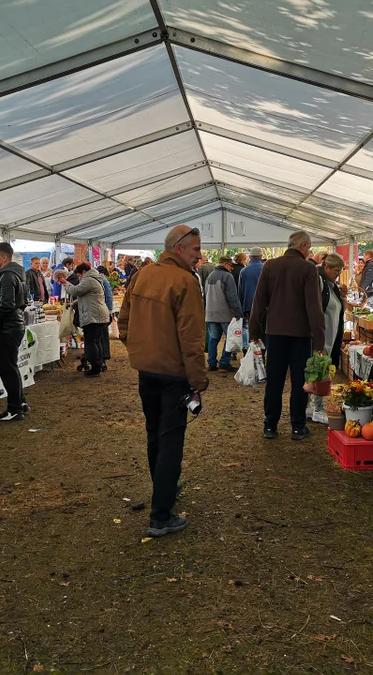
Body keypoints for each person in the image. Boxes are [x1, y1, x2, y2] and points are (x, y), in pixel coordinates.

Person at [118, 225, 207, 538]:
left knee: (155, 434)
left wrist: (137, 349)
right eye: (196, 249)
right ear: (179, 248)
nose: (200, 254)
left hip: (148, 370)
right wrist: (198, 380)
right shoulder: (185, 281)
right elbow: (192, 338)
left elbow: (123, 320)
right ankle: (160, 514)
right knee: (170, 441)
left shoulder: (143, 274)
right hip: (173, 375)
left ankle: (163, 492)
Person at [250, 230, 325, 441]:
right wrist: (319, 341)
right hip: (301, 335)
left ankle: (270, 425)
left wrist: (254, 331)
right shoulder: (308, 268)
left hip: (274, 333)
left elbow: (259, 301)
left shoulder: (270, 266)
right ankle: (297, 427)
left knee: (274, 380)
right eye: (309, 248)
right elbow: (314, 308)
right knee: (300, 381)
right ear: (303, 246)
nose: (309, 251)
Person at [0, 243, 28, 421]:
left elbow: (7, 304)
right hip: (13, 326)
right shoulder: (15, 275)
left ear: (4, 258)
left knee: (7, 369)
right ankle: (19, 402)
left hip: (8, 328)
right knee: (11, 367)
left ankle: (14, 409)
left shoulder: (7, 276)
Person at [55, 263, 111, 376]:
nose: (79, 278)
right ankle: (98, 364)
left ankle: (95, 367)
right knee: (96, 341)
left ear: (83, 272)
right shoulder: (95, 278)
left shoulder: (89, 279)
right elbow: (87, 297)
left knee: (90, 342)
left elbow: (76, 291)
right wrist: (73, 303)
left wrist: (65, 283)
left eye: (79, 275)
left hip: (93, 316)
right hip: (98, 314)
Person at [309, 253, 346, 424]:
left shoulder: (331, 285)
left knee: (317, 371)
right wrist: (319, 340)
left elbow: (336, 308)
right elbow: (317, 311)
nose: (338, 275)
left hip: (329, 337)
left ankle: (310, 406)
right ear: (326, 268)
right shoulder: (319, 283)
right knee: (318, 372)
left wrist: (343, 296)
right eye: (336, 271)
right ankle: (317, 408)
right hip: (321, 338)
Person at [204, 256, 242, 373]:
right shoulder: (227, 276)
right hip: (224, 313)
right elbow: (232, 296)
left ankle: (211, 363)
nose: (232, 269)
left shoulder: (210, 276)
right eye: (231, 266)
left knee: (213, 339)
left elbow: (205, 295)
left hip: (211, 313)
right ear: (226, 264)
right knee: (230, 338)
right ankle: (224, 362)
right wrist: (237, 312)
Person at [237, 247, 265, 352]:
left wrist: (241, 308)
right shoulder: (265, 268)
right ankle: (261, 352)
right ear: (261, 256)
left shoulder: (244, 271)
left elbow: (240, 291)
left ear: (250, 257)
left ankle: (249, 351)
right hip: (264, 306)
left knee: (250, 329)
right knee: (262, 331)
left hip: (248, 306)